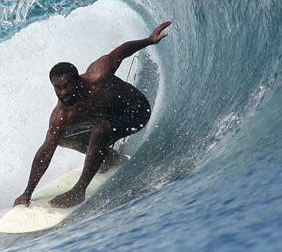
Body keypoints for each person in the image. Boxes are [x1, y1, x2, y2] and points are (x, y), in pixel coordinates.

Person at [13, 21, 172, 209]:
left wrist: (149, 40)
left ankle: (79, 190)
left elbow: (120, 52)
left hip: (136, 111)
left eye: (67, 86)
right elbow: (45, 152)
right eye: (58, 88)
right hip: (107, 121)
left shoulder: (99, 75)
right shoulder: (61, 114)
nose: (63, 92)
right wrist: (27, 192)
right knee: (58, 137)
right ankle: (110, 158)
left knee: (100, 128)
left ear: (78, 80)